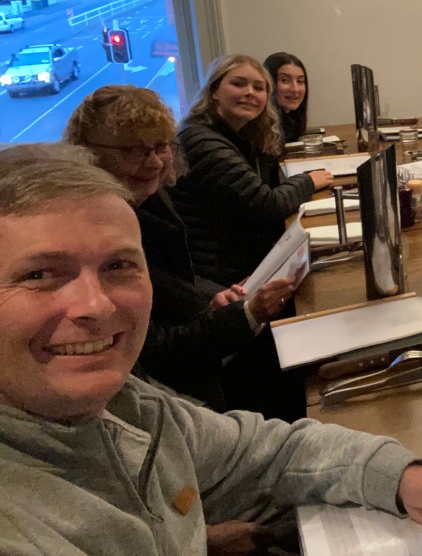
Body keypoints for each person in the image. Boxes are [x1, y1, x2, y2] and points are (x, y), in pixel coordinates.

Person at [0, 149, 422, 555]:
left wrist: (401, 477)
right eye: (39, 274)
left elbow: (270, 453)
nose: (95, 305)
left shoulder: (132, 408)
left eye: (118, 266)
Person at [64, 85, 295, 413]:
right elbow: (159, 351)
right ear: (88, 155)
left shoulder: (150, 200)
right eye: (132, 150)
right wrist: (246, 315)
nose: (154, 162)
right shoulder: (96, 238)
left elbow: (176, 286)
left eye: (161, 147)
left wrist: (213, 297)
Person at [171, 55, 334, 286]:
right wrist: (308, 181)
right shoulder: (202, 142)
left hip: (234, 259)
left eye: (258, 88)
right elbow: (267, 204)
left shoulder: (237, 134)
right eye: (238, 84)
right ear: (214, 91)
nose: (249, 92)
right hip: (221, 276)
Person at [264, 51, 309, 144]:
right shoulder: (263, 127)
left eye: (300, 81)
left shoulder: (290, 120)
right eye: (285, 80)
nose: (295, 89)